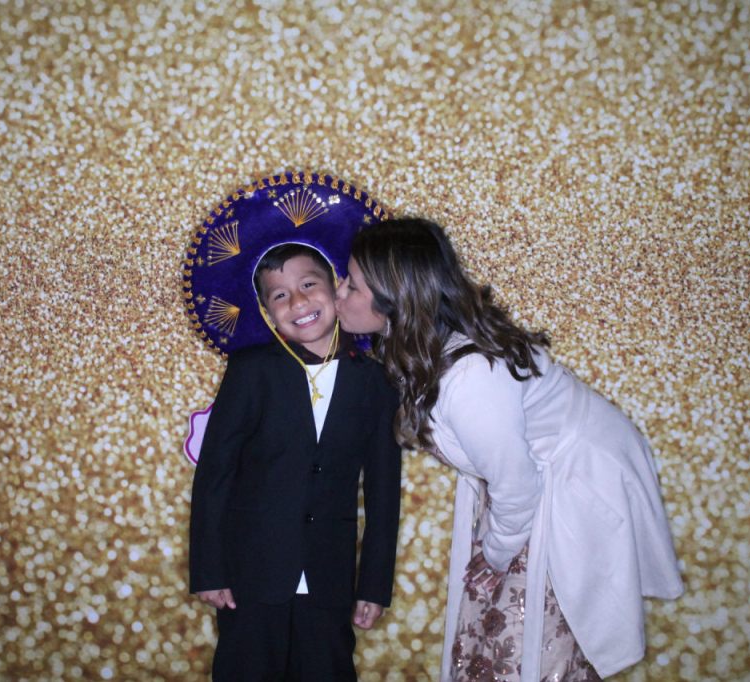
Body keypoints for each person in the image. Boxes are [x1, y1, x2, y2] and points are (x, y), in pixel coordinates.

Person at [334, 217, 683, 682]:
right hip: (534, 492)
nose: (338, 292)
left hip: (569, 490)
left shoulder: (470, 377)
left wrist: (495, 554)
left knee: (533, 648)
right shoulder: (427, 348)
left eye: (351, 284)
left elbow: (516, 487)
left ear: (396, 300)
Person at [189, 242, 401, 681]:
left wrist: (374, 584)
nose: (298, 302)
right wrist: (209, 570)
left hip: (329, 578)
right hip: (250, 576)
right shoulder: (250, 370)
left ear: (336, 289)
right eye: (280, 295)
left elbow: (383, 491)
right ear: (268, 312)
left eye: (308, 285)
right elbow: (215, 475)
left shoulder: (375, 380)